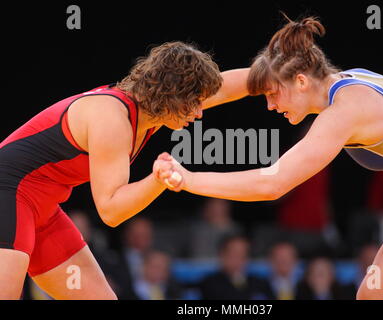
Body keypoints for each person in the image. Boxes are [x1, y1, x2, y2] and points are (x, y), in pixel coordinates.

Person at [154, 16, 383, 299]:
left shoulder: (345, 112)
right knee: (375, 294)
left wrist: (188, 179)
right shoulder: (346, 81)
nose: (270, 106)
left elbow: (273, 183)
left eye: (273, 94)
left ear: (301, 81)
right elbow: (240, 83)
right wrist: (165, 105)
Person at [0, 40, 250, 299]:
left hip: (42, 212)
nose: (199, 112)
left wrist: (277, 70)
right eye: (195, 102)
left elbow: (230, 88)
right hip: (7, 199)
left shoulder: (155, 109)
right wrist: (157, 180)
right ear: (172, 94)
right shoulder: (112, 119)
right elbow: (111, 211)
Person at [198, 235, 274, 300]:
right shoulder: (209, 284)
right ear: (222, 255)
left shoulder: (260, 284)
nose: (238, 260)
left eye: (243, 255)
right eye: (234, 254)